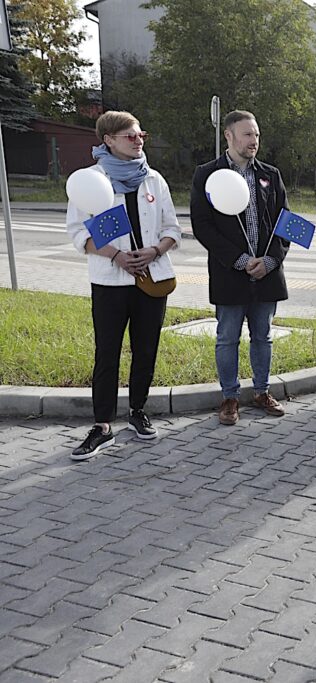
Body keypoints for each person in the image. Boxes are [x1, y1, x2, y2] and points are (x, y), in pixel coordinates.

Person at [65, 110, 181, 459]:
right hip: (110, 282)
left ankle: (137, 411)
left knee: (146, 349)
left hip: (151, 277)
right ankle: (102, 425)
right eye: (130, 136)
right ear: (109, 140)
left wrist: (154, 250)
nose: (138, 140)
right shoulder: (89, 180)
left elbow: (172, 229)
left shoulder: (154, 180)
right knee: (107, 352)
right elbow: (77, 234)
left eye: (140, 134)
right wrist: (116, 255)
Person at [190, 110, 289, 426]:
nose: (254, 141)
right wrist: (242, 261)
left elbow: (285, 223)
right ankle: (230, 397)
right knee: (227, 338)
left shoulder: (270, 174)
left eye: (257, 135)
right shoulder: (207, 174)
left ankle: (262, 391)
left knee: (263, 336)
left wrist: (271, 261)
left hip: (267, 275)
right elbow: (203, 226)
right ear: (229, 136)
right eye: (247, 134)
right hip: (229, 273)